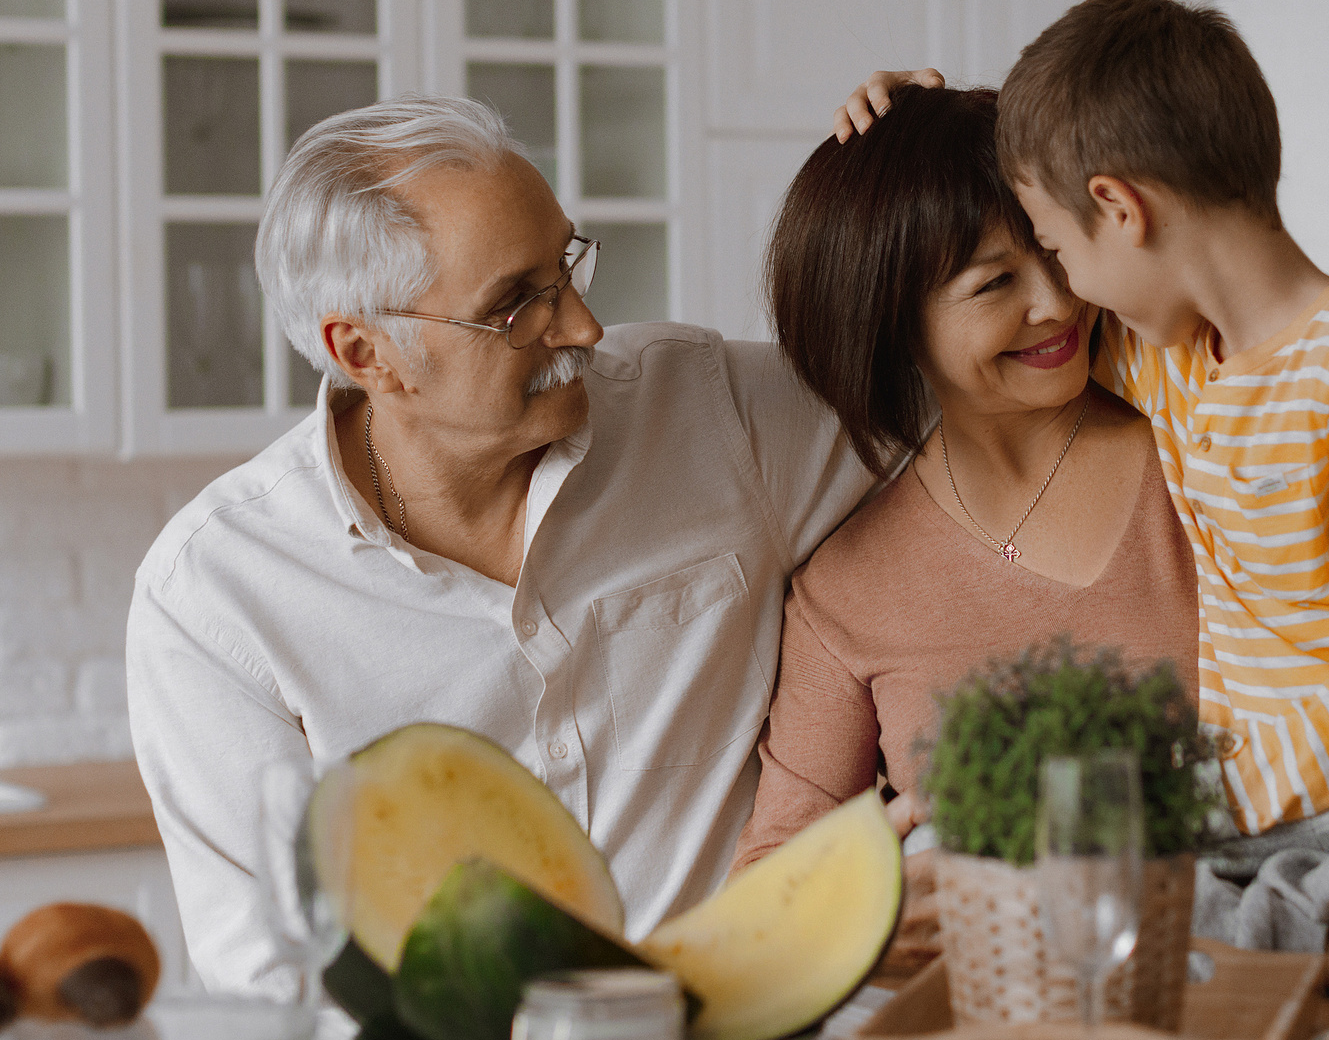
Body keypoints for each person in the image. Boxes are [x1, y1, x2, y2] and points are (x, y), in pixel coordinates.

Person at [780, 69, 1329, 954]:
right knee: (973, 846)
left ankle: (1265, 950)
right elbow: (771, 889)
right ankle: (1327, 955)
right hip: (1098, 926)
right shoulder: (849, 591)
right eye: (995, 284)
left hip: (1327, 843)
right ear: (885, 318)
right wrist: (876, 899)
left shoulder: (1210, 408)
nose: (1058, 302)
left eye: (1056, 252)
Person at [126, 96, 872, 994]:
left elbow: (977, 402)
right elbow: (270, 961)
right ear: (367, 353)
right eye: (516, 305)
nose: (583, 327)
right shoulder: (214, 595)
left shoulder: (716, 412)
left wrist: (930, 155)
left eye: (566, 267)